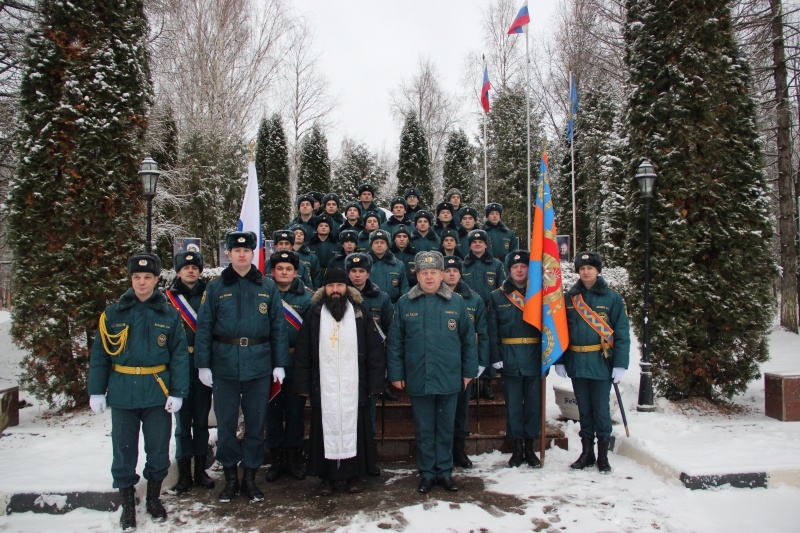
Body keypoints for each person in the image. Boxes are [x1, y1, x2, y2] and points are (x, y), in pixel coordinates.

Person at [88, 253, 189, 531]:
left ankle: (154, 499)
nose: (142, 282)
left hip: (157, 391)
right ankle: (127, 503)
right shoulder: (113, 313)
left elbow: (179, 355)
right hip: (123, 392)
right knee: (123, 451)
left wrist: (178, 392)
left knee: (157, 449)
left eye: (147, 277)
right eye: (136, 277)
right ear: (130, 279)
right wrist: (97, 391)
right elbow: (100, 356)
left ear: (157, 280)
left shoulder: (169, 315)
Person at [195, 231, 290, 503]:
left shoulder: (267, 286)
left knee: (255, 424)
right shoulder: (215, 288)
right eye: (236, 250)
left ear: (252, 253)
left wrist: (279, 363)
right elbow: (204, 328)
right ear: (229, 253)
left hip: (258, 365)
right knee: (225, 425)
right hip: (223, 365)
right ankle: (230, 479)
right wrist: (203, 364)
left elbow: (277, 328)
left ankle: (249, 478)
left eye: (246, 250)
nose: (241, 254)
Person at [387, 251, 478, 493]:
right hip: (419, 376)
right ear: (417, 275)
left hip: (449, 376)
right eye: (424, 273)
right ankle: (427, 473)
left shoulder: (457, 302)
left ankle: (445, 472)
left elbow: (469, 340)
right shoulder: (405, 302)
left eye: (433, 273)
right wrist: (396, 373)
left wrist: (469, 371)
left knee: (446, 428)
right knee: (424, 428)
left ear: (441, 275)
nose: (429, 277)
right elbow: (395, 342)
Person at [294, 268, 386, 495]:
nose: (335, 290)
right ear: (324, 289)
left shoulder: (360, 313)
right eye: (331, 286)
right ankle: (326, 477)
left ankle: (354, 475)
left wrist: (375, 384)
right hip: (323, 387)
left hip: (354, 387)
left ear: (347, 288)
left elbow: (374, 351)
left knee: (356, 429)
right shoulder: (315, 313)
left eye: (340, 286)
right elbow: (303, 352)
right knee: (324, 431)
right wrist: (304, 386)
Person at [554, 251, 630, 473]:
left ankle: (602, 456)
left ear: (598, 270)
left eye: (590, 268)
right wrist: (560, 360)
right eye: (582, 268)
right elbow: (560, 330)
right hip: (577, 361)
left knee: (601, 411)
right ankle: (586, 453)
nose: (586, 272)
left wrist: (620, 364)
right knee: (584, 411)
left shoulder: (612, 298)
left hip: (601, 361)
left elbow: (622, 333)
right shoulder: (569, 298)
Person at [166, 251, 215, 494]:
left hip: (203, 364)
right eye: (185, 268)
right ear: (178, 271)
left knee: (201, 421)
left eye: (195, 267)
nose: (191, 271)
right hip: (179, 366)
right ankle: (184, 473)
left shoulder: (210, 294)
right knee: (182, 423)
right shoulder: (167, 298)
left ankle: (200, 471)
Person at [488, 250, 543, 468]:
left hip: (534, 357)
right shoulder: (498, 295)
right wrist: (496, 356)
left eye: (523, 266)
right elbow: (493, 329)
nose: (519, 270)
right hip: (510, 358)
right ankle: (517, 448)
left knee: (533, 406)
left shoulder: (540, 293)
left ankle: (530, 447)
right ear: (509, 270)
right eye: (514, 267)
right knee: (513, 407)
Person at [265, 250, 314, 483]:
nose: (284, 272)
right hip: (269, 362)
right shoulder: (263, 293)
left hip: (296, 363)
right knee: (272, 413)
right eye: (280, 269)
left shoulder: (307, 298)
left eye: (289, 269)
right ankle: (276, 459)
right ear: (272, 272)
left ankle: (294, 457)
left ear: (296, 272)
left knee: (295, 414)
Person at [442, 256, 489, 469]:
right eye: (447, 270)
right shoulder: (434, 295)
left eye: (455, 270)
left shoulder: (474, 299)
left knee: (461, 408)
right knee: (442, 408)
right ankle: (442, 450)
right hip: (442, 362)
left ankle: (458, 450)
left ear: (461, 274)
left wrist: (480, 361)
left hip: (464, 362)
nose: (451, 274)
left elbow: (483, 333)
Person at [346, 252, 397, 444]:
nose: (357, 275)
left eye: (362, 271)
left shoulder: (381, 298)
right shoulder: (339, 295)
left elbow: (390, 331)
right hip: (346, 361)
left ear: (368, 273)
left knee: (370, 409)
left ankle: (369, 451)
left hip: (371, 362)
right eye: (353, 271)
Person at [462, 229, 507, 400]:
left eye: (480, 241)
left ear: (486, 244)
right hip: (468, 311)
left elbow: (502, 288)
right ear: (470, 245)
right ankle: (474, 382)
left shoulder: (496, 265)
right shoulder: (463, 264)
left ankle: (487, 383)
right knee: (471, 345)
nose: (477, 244)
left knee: (487, 345)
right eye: (474, 242)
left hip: (489, 311)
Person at [367, 229, 409, 304]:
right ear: (371, 245)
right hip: (368, 306)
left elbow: (404, 291)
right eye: (376, 242)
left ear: (387, 245)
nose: (379, 245)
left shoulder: (399, 265)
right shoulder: (363, 264)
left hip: (393, 307)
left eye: (382, 242)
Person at [291, 224, 323, 289]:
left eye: (301, 234)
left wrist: (315, 292)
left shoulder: (312, 257)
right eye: (296, 233)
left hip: (307, 291)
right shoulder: (284, 255)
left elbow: (317, 277)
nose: (299, 235)